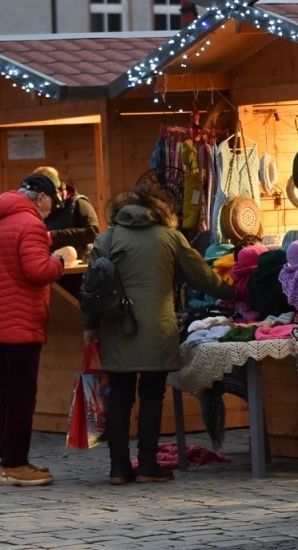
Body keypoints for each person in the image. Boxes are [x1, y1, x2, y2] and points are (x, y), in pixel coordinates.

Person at [84, 187, 236, 485]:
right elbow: (200, 276)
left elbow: (91, 288)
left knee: (120, 397)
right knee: (151, 395)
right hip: (157, 327)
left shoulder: (107, 238)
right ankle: (148, 465)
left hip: (117, 327)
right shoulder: (169, 236)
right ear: (158, 211)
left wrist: (90, 326)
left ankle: (118, 468)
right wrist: (231, 291)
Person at [0, 173, 77, 487]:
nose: (51, 210)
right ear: (41, 197)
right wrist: (62, 259)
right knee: (21, 397)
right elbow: (37, 270)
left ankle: (8, 459)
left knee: (8, 396)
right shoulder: (31, 225)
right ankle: (16, 464)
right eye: (51, 202)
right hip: (21, 323)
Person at [33, 165, 99, 251]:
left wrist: (54, 236)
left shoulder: (78, 203)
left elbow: (93, 232)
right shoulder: (37, 206)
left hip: (76, 262)